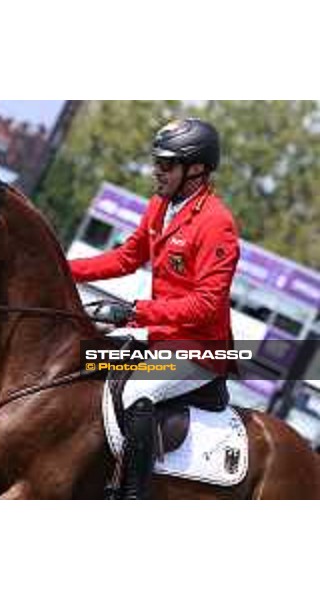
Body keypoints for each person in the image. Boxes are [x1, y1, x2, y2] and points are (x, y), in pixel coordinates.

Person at [69, 118, 240, 499]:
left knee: (135, 395)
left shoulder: (217, 223)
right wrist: (62, 268)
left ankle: (134, 497)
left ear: (195, 169)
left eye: (166, 164)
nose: (156, 171)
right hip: (161, 342)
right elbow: (127, 258)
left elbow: (207, 303)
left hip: (200, 353)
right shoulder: (160, 205)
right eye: (156, 162)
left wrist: (135, 312)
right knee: (85, 363)